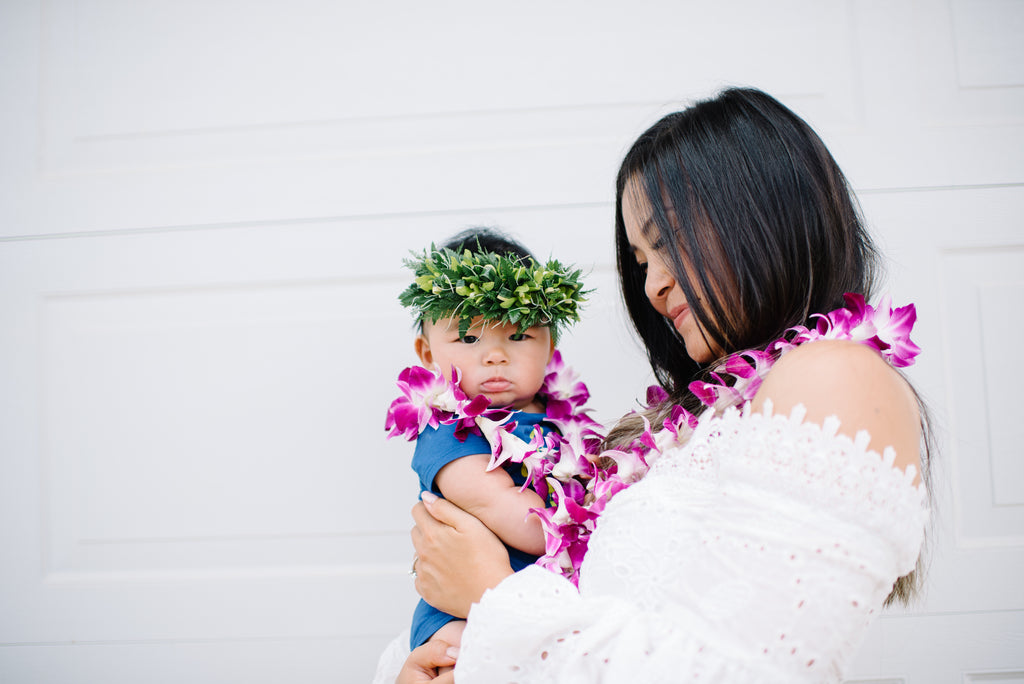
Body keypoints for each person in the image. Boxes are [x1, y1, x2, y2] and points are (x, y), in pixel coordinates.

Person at [385, 87, 932, 683]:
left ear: (760, 212)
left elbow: (741, 674)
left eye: (666, 241)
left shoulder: (833, 376)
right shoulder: (688, 426)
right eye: (642, 260)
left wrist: (490, 593)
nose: (650, 287)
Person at [382, 228, 596, 677]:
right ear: (427, 353)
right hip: (463, 609)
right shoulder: (447, 431)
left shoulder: (559, 421)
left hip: (551, 600)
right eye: (469, 338)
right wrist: (593, 519)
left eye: (519, 337)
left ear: (550, 347)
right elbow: (518, 517)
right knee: (463, 659)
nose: (495, 355)